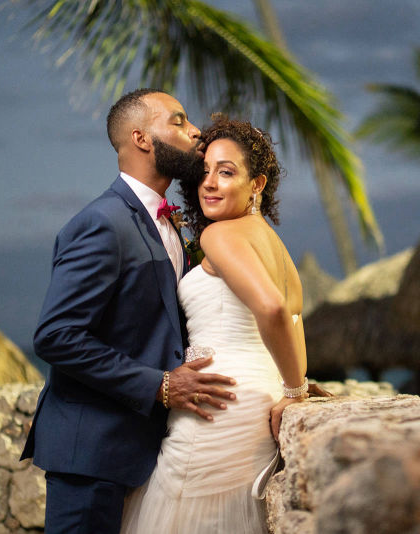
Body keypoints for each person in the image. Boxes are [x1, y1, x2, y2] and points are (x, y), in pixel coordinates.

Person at [20, 89, 238, 534]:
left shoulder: (169, 225)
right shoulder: (103, 222)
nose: (195, 130)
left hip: (147, 449)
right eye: (178, 121)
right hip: (93, 452)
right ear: (141, 138)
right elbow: (57, 336)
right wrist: (160, 385)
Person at [120, 117, 309, 533]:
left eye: (225, 172)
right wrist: (294, 385)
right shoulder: (275, 245)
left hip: (218, 404)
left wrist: (296, 392)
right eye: (204, 171)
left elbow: (274, 310)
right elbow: (294, 320)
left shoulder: (220, 236)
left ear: (257, 184)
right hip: (259, 396)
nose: (209, 182)